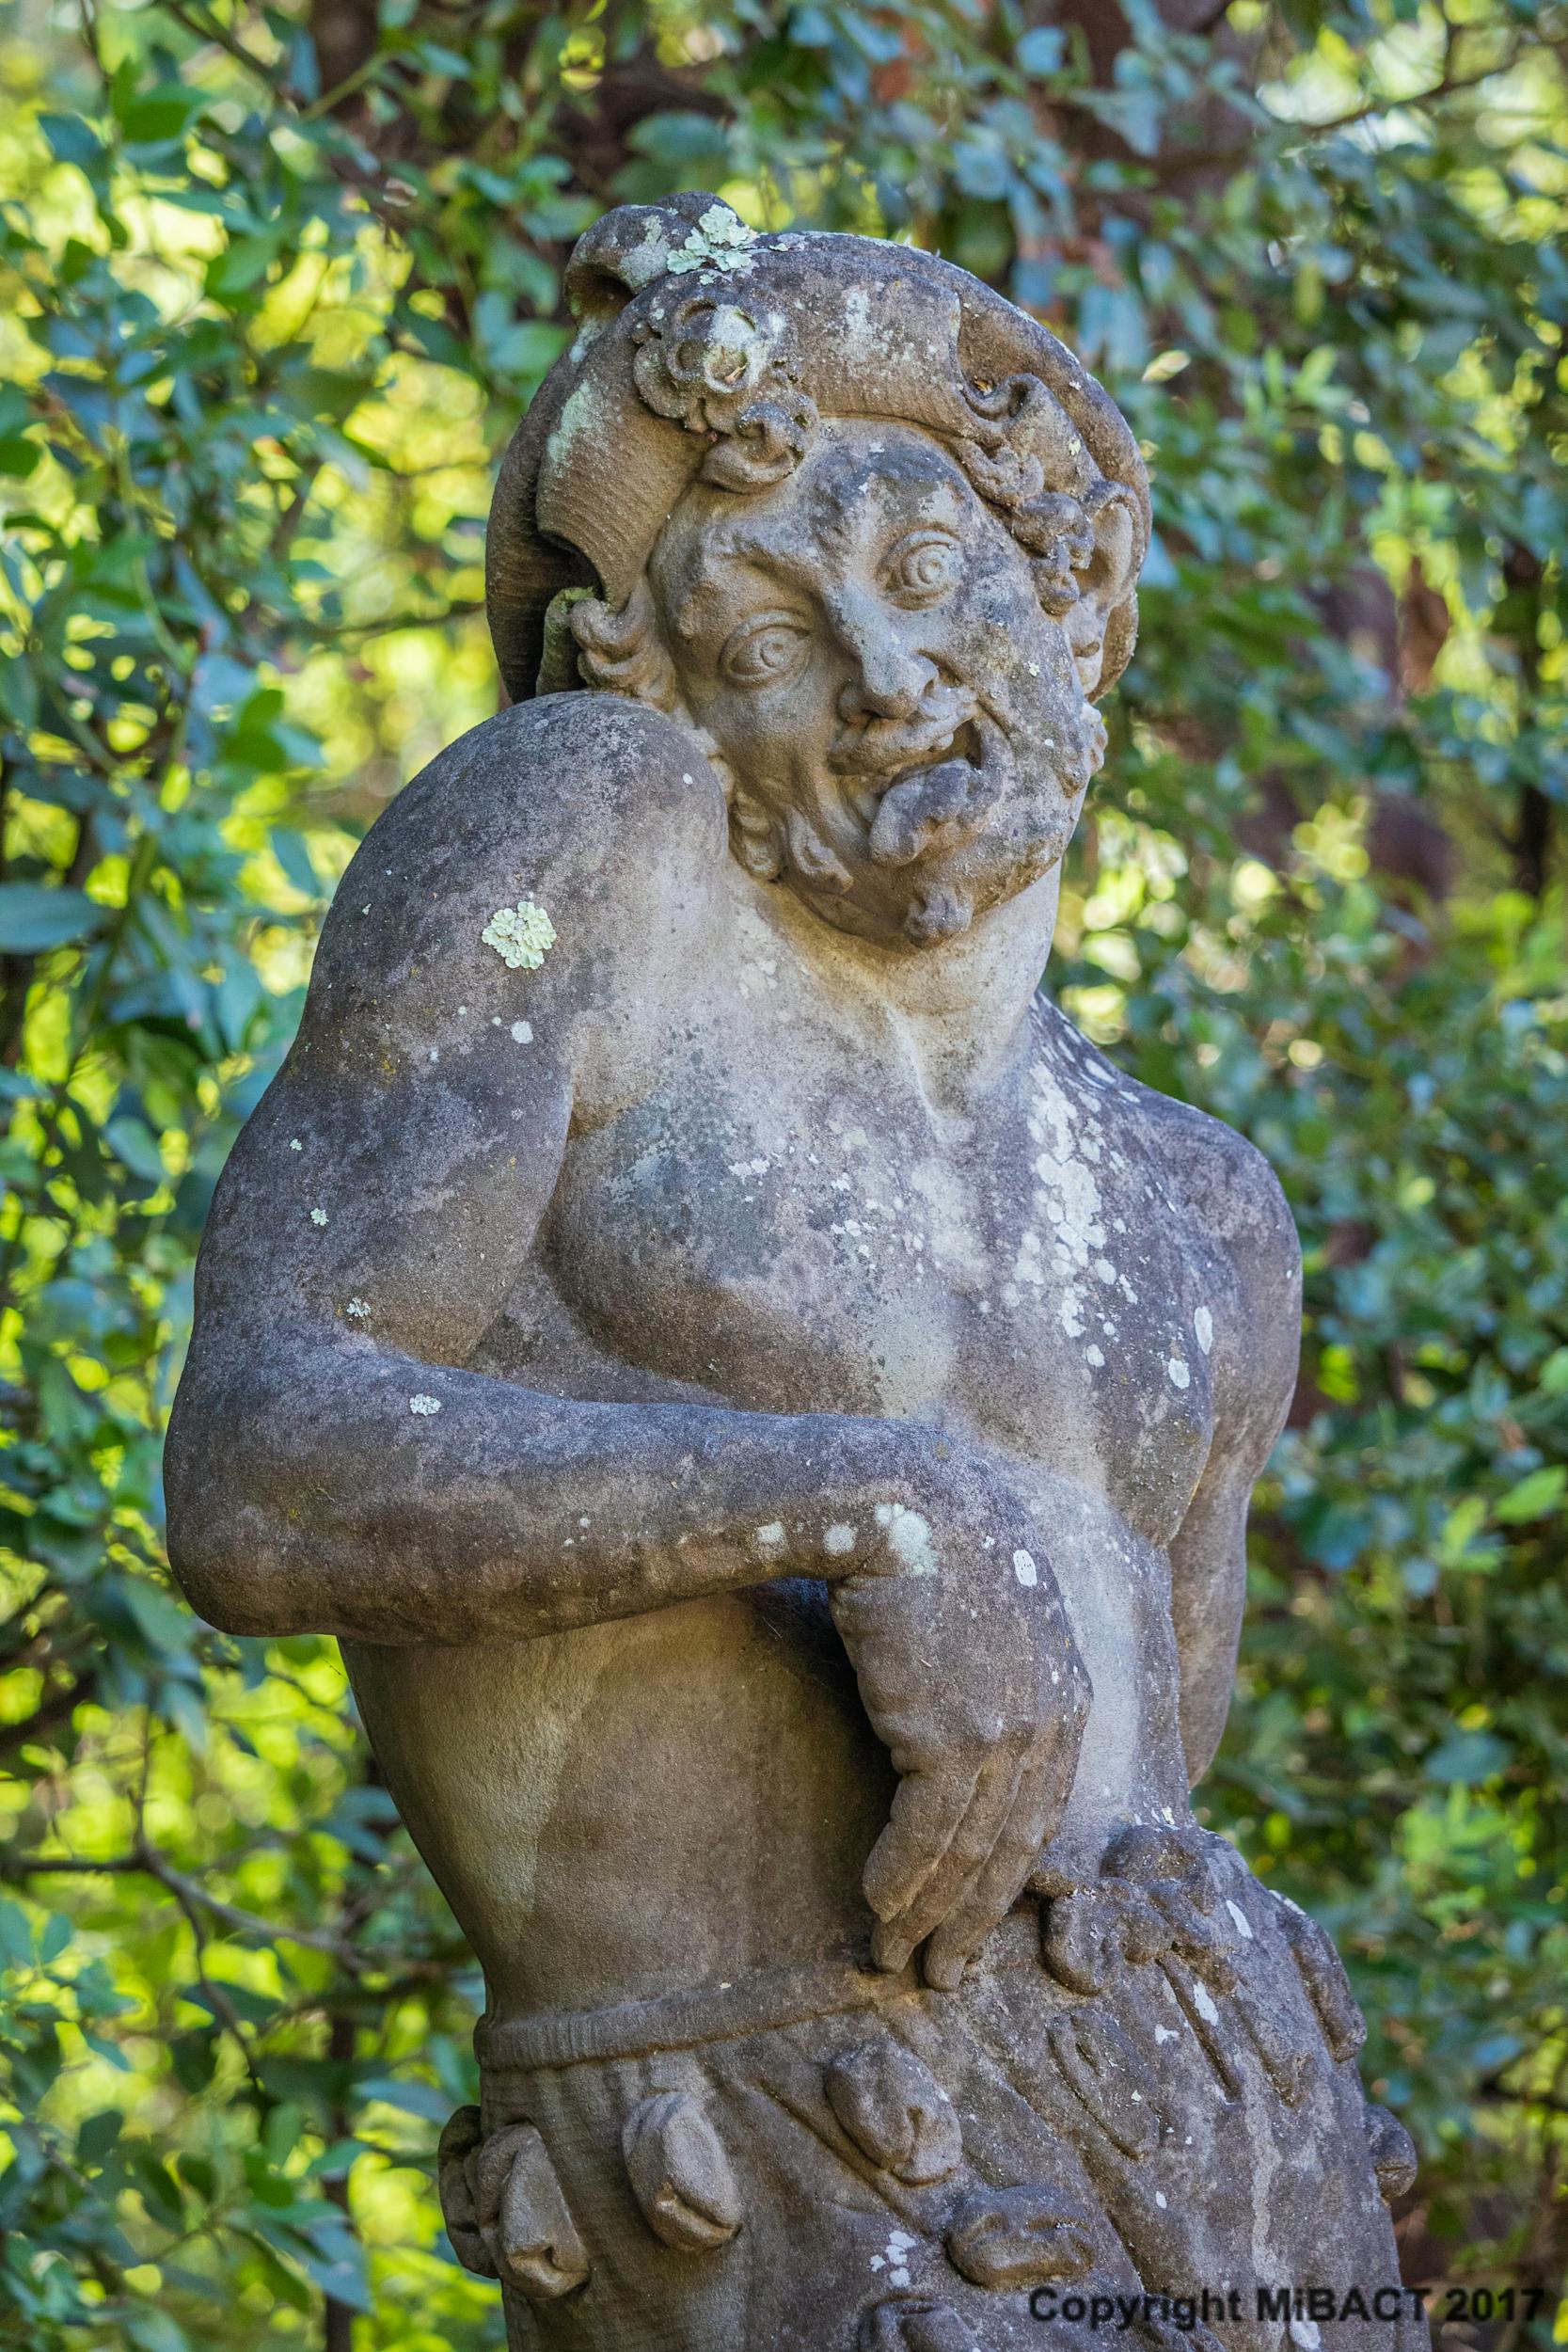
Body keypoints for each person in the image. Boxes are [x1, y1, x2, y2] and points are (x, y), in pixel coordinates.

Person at [166, 195, 1421, 2352]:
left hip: (1253, 2143)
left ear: (1065, 578)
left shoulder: (1194, 1208)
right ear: (674, 713)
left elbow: (1125, 1793)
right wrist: (868, 1503)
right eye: (761, 642)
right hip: (769, 2149)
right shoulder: (592, 849)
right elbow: (260, 1460)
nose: (885, 666)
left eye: (931, 568)